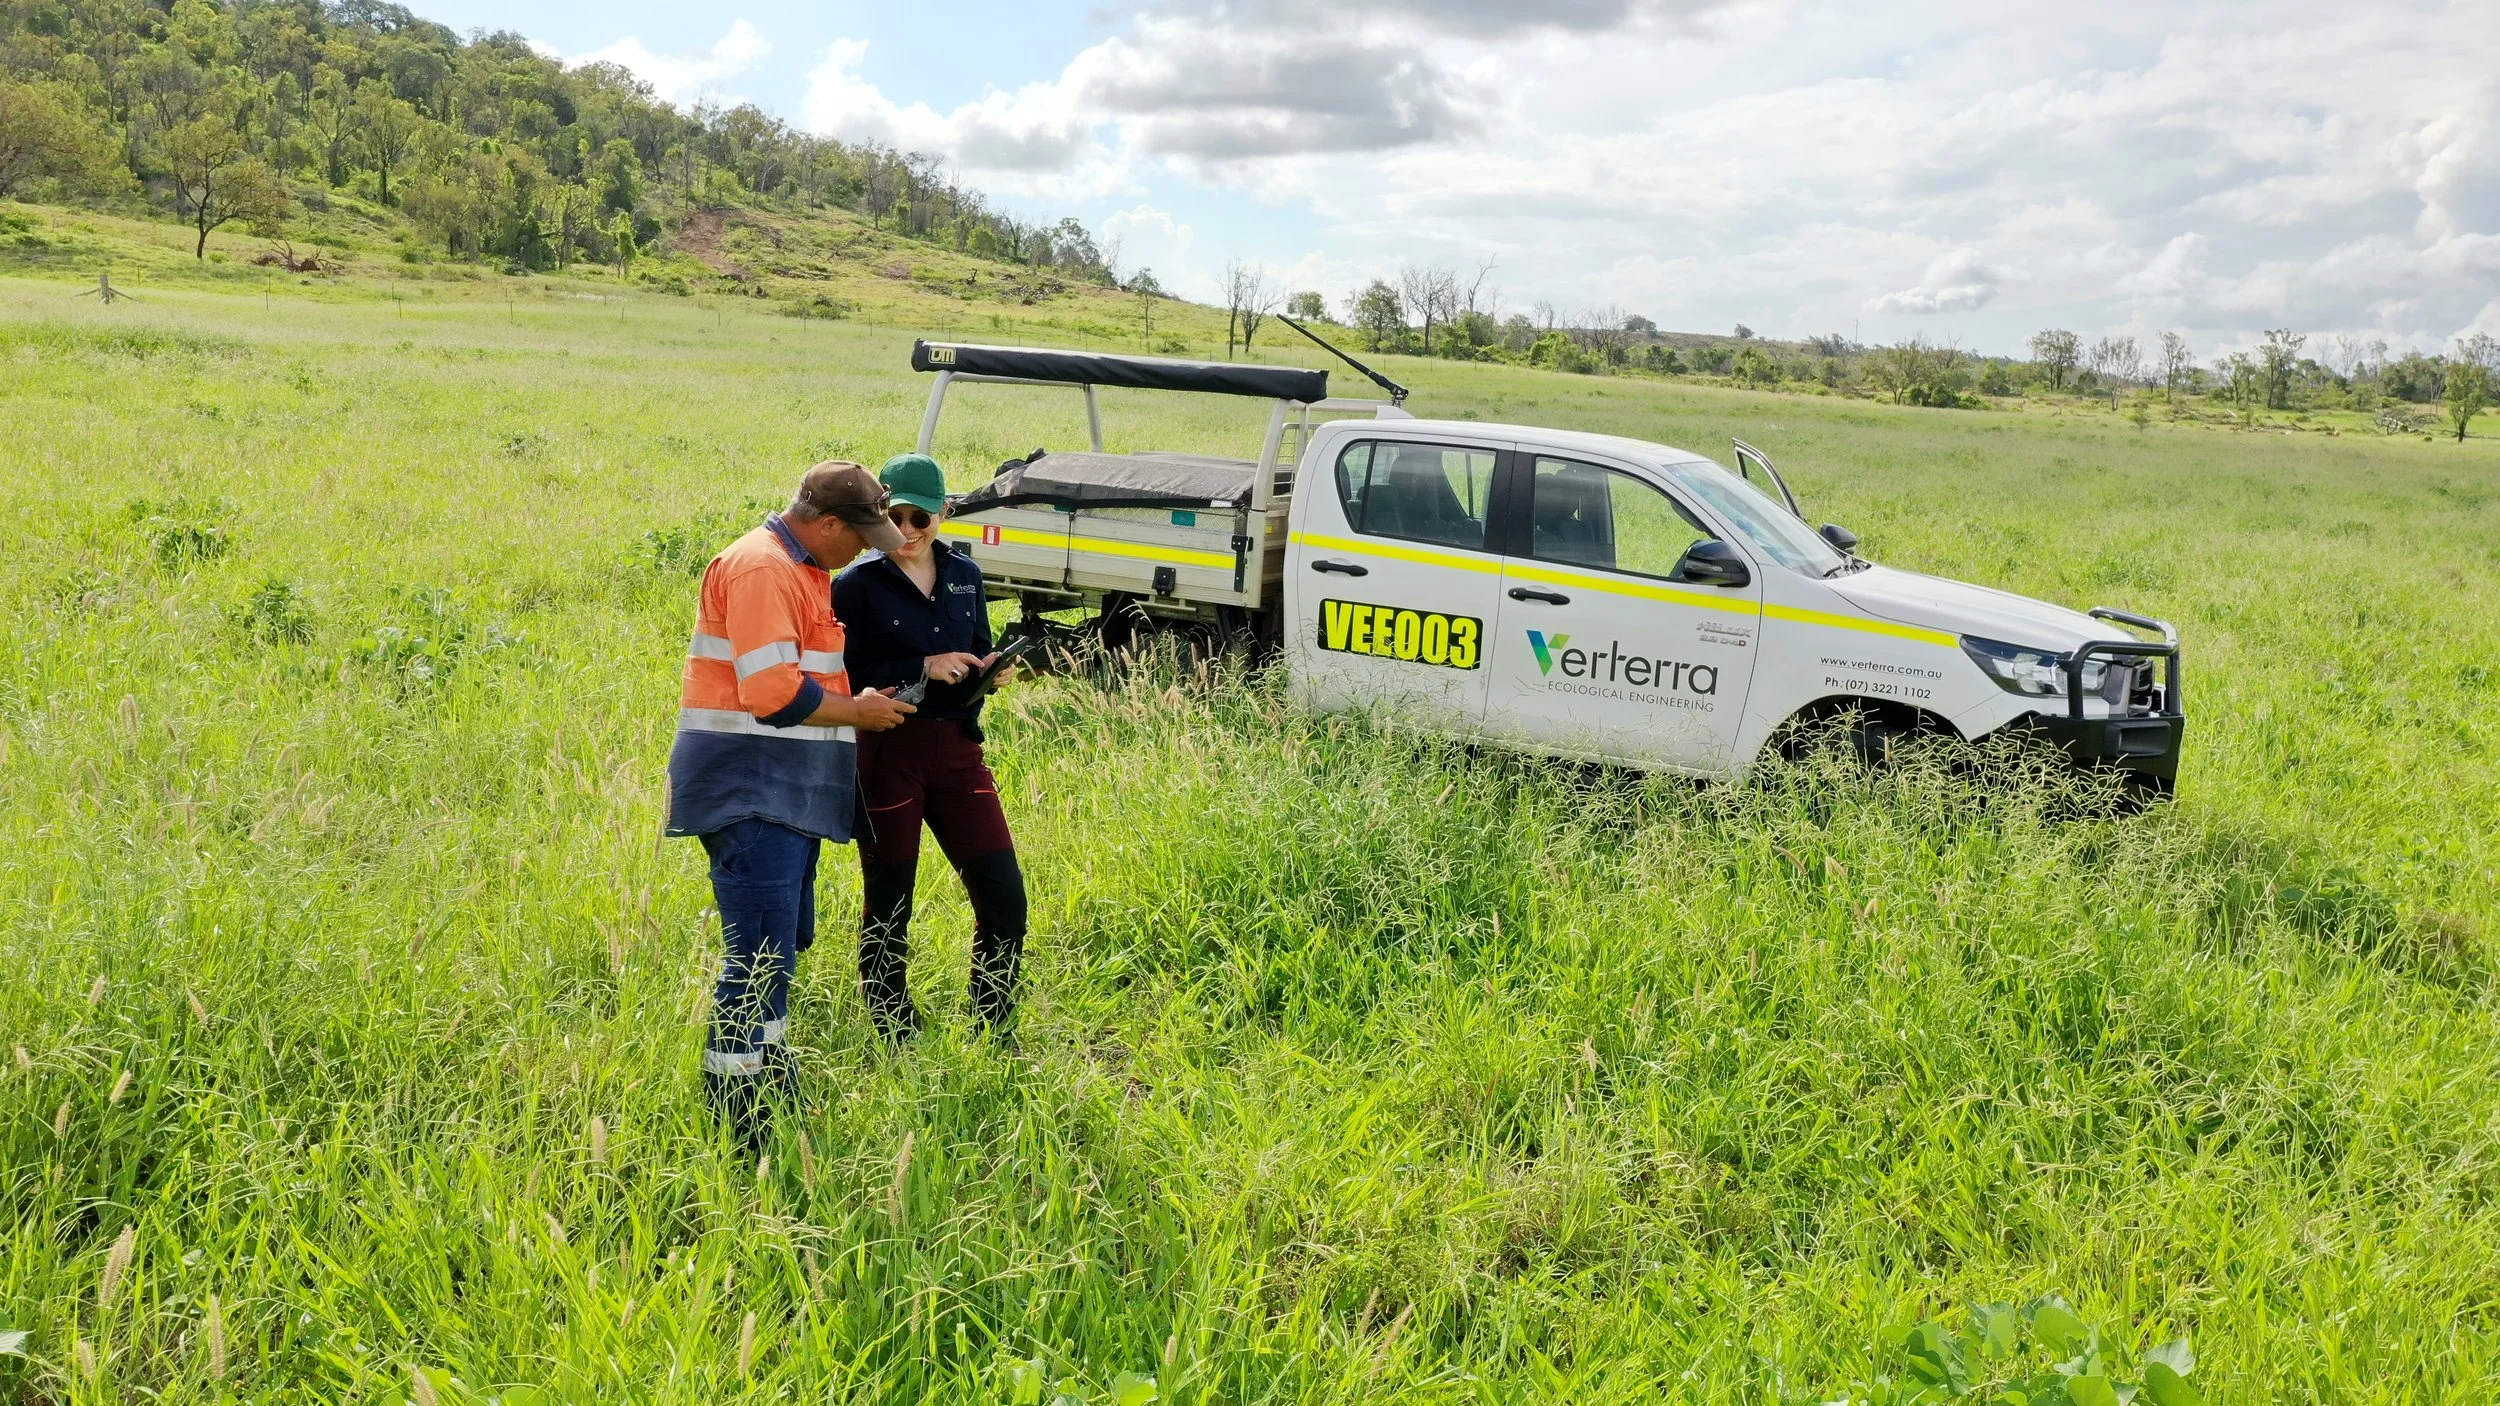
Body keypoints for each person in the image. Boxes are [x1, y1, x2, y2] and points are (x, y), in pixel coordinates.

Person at [667, 460, 914, 1146]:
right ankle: (740, 1126)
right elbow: (771, 693)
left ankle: (771, 1088)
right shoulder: (762, 568)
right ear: (827, 523)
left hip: (783, 790)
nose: (864, 552)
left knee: (777, 954)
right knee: (757, 960)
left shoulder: (806, 570)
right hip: (751, 789)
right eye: (860, 539)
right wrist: (857, 715)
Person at [833, 453, 1030, 1042]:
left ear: (945, 512)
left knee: (1004, 897)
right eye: (895, 518)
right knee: (891, 899)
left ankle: (991, 1026)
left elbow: (975, 647)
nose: (909, 532)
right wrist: (921, 664)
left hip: (959, 749)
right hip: (890, 750)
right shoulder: (855, 586)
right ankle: (893, 1025)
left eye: (922, 518)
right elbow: (842, 675)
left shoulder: (966, 574)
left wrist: (990, 671)